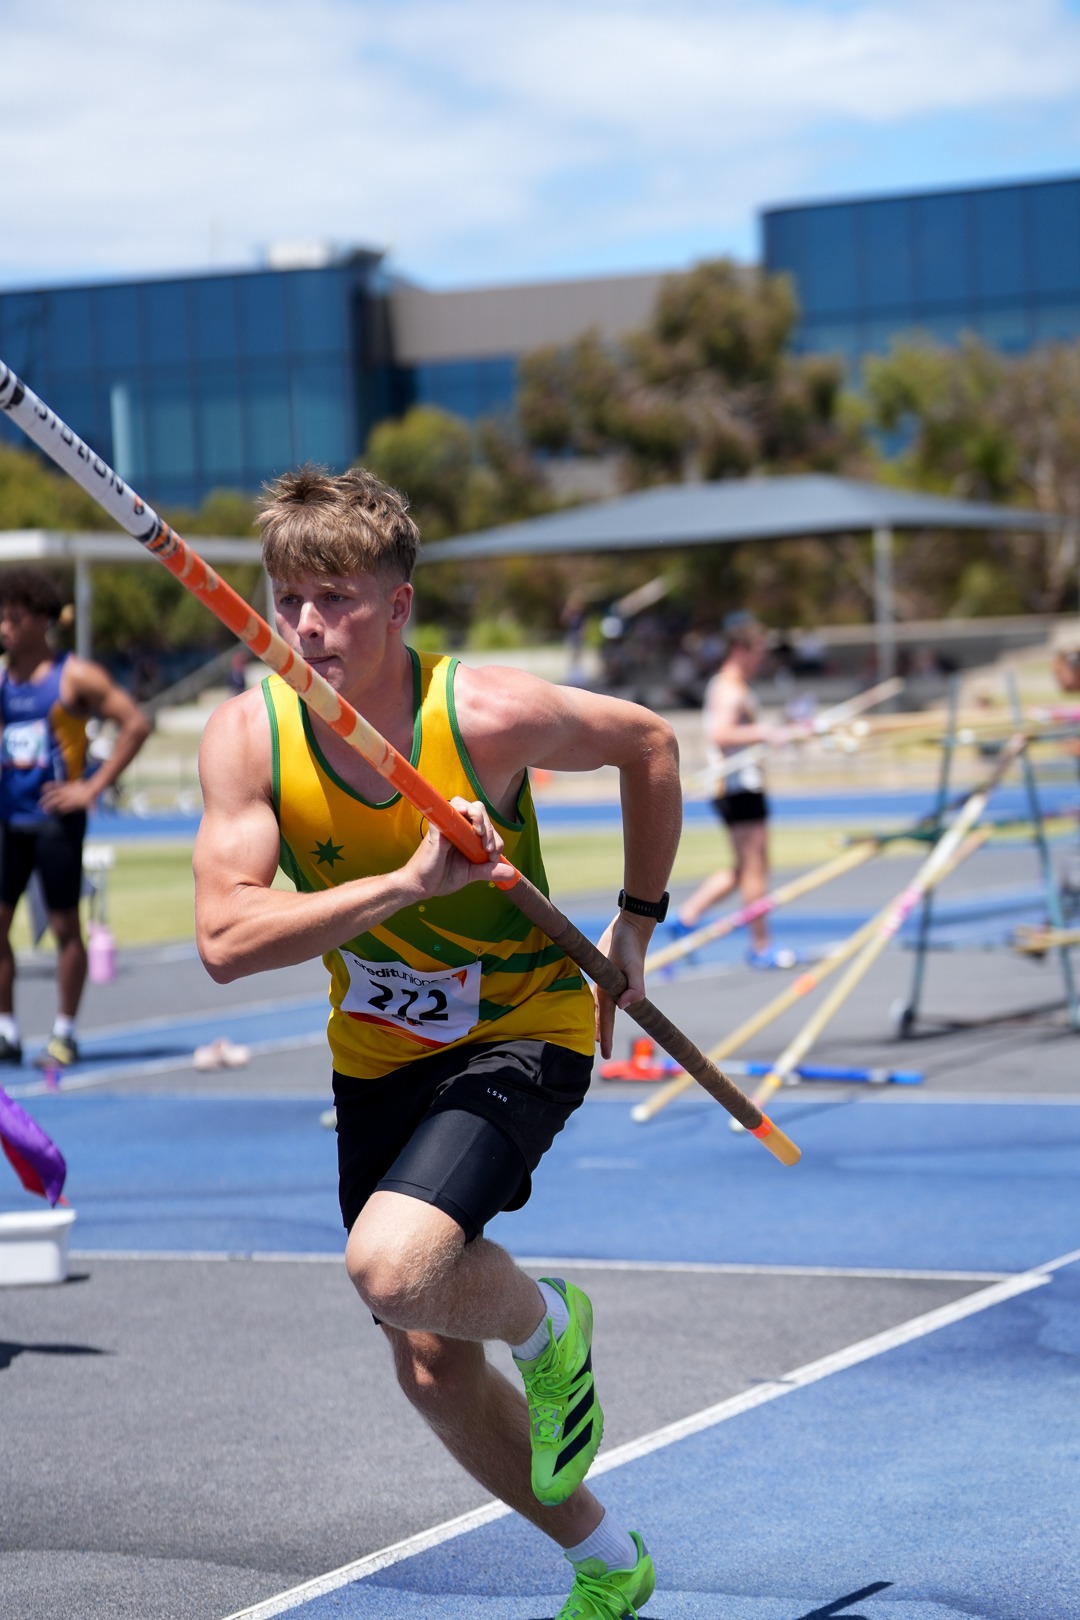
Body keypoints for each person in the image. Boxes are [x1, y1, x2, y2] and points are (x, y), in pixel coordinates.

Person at [192, 465, 682, 1618]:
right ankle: (609, 1562)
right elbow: (223, 939)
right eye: (289, 597)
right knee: (426, 1361)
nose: (309, 624)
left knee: (392, 1267)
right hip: (377, 1057)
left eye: (340, 598)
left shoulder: (486, 715)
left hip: (523, 1026)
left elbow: (650, 742)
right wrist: (407, 884)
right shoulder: (248, 737)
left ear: (399, 604)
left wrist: (636, 921)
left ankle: (551, 1325)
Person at [0, 567, 151, 1066]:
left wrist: (90, 787)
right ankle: (6, 1030)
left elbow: (135, 723)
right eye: (1, 617)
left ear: (41, 620)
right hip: (8, 819)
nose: (4, 627)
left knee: (65, 926)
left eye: (13, 618)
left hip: (55, 822)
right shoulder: (3, 679)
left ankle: (64, 1031)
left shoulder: (74, 677)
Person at [669, 611, 795, 969]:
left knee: (745, 869)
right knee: (756, 870)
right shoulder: (729, 688)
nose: (761, 659)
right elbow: (721, 734)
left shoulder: (734, 686)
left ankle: (688, 916)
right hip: (738, 787)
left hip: (739, 787)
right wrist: (765, 733)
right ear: (740, 649)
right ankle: (761, 945)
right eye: (757, 651)